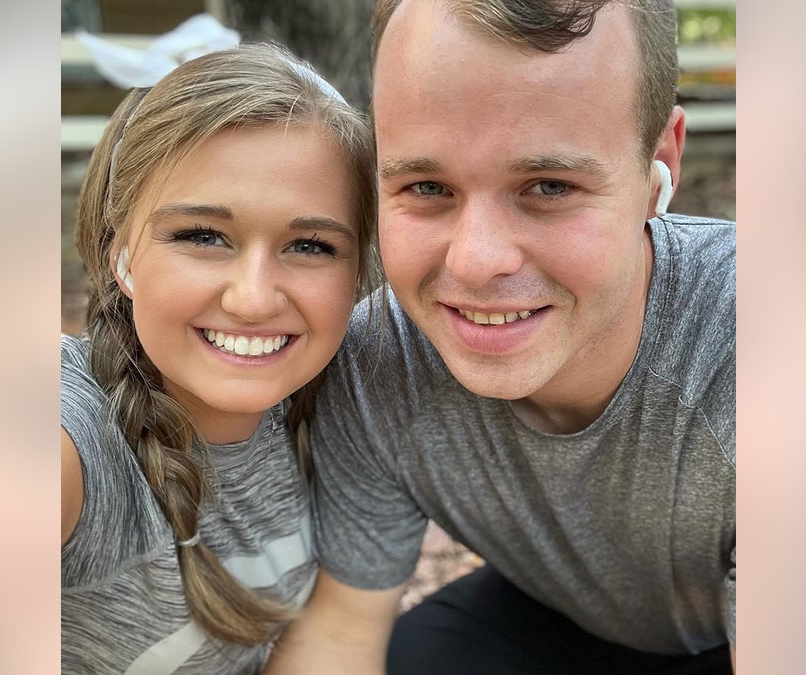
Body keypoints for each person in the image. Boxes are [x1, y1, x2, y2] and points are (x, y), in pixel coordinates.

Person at [266, 1, 735, 674]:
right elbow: (341, 635)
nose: (475, 261)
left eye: (549, 185)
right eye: (427, 186)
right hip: (576, 617)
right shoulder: (376, 364)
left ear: (658, 163)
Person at [60, 43, 380, 674]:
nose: (254, 298)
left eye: (310, 245)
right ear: (121, 252)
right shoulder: (71, 436)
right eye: (203, 237)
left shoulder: (345, 402)